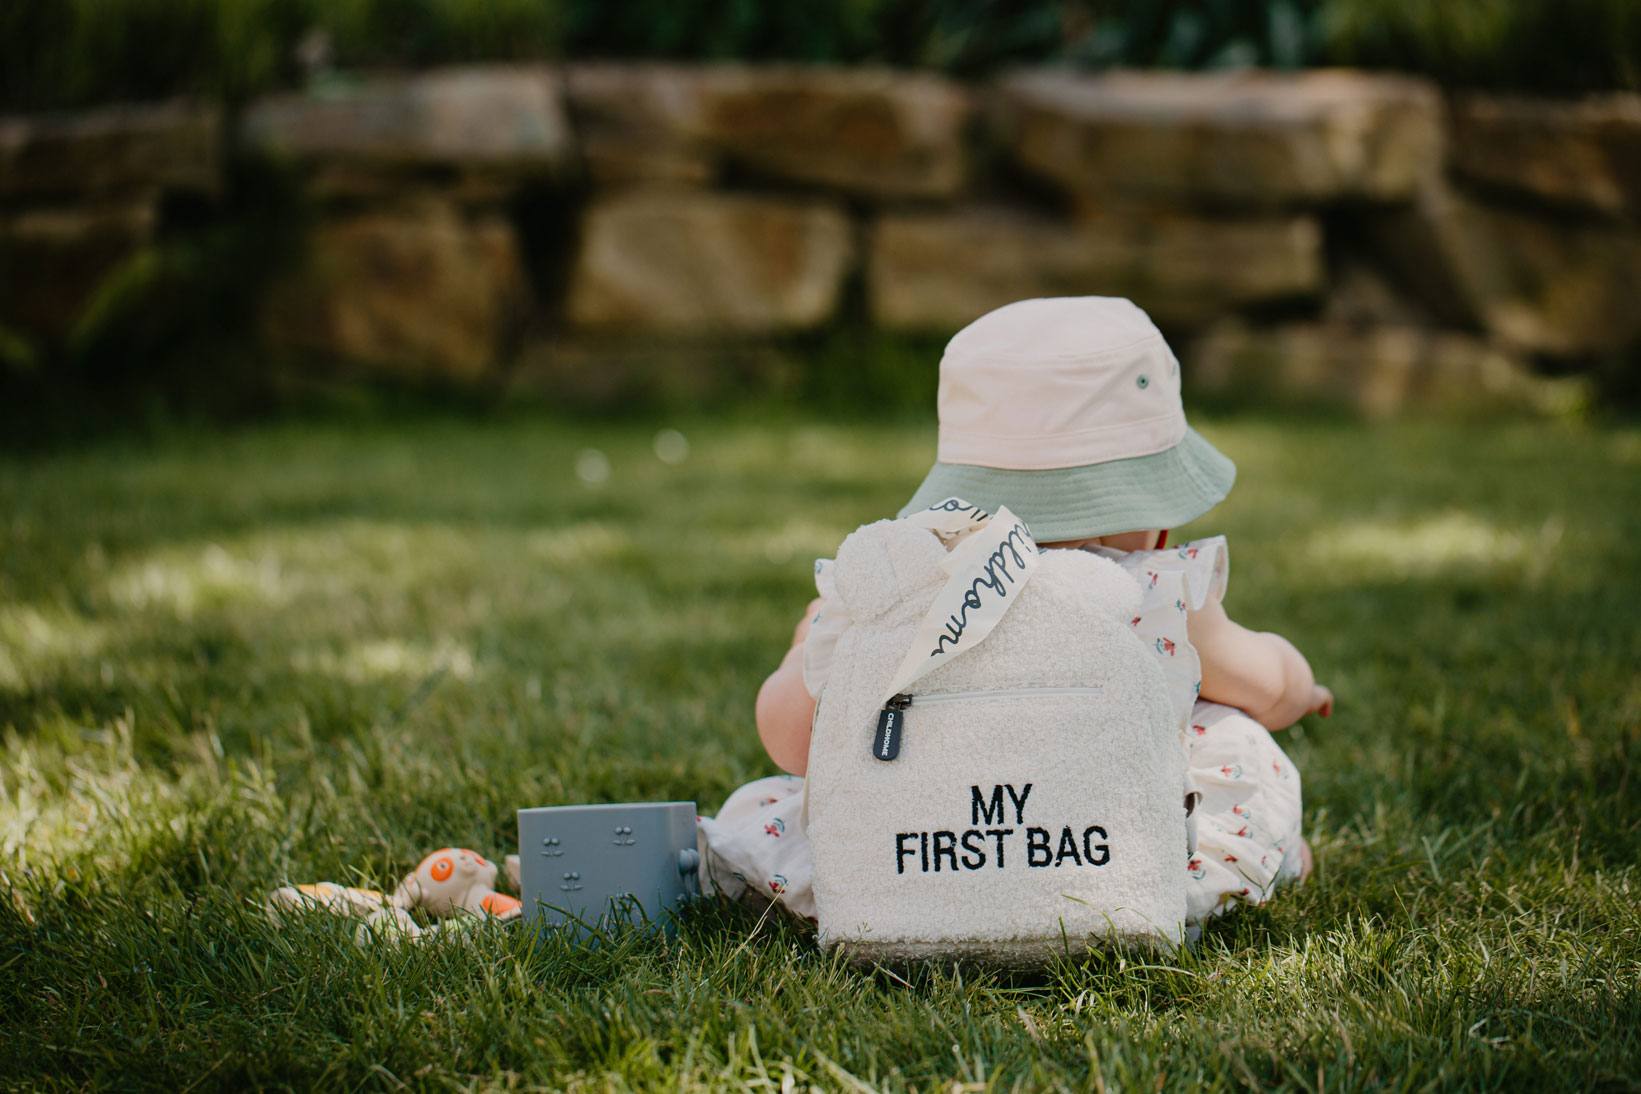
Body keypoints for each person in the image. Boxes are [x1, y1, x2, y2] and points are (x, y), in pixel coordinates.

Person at [700, 296, 1330, 925]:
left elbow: (790, 742)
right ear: (1158, 519)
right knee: (1237, 742)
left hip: (919, 856)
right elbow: (1270, 685)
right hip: (1106, 861)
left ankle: (915, 905)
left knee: (793, 801)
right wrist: (1302, 691)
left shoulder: (894, 599)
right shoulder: (1153, 594)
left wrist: (808, 644)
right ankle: (1266, 862)